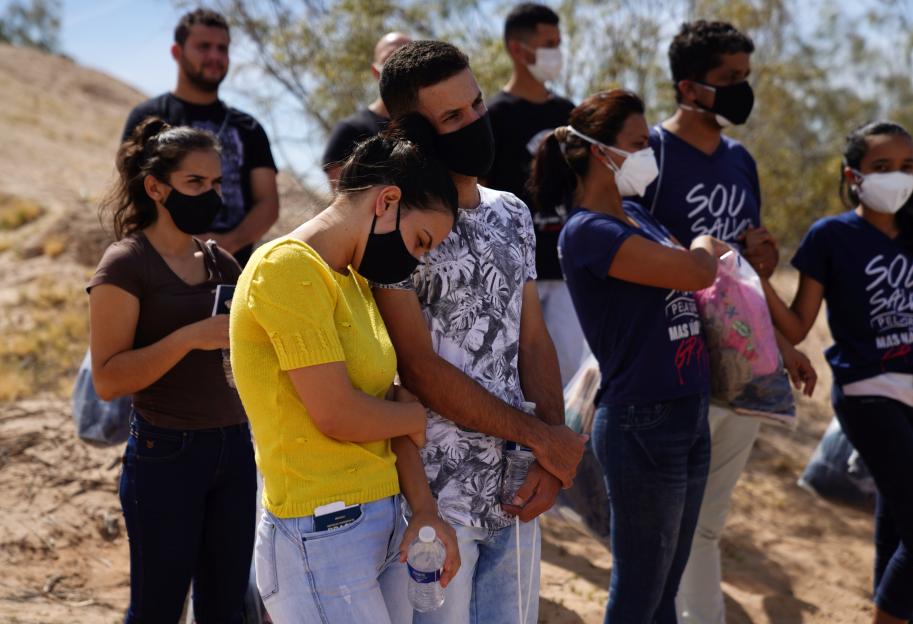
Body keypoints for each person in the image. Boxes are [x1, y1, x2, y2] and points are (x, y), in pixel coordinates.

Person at [374, 40, 587, 624]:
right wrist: (542, 439)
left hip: (515, 494)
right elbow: (415, 367)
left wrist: (546, 452)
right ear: (413, 129)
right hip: (433, 506)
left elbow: (534, 339)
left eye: (476, 106)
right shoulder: (394, 226)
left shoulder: (511, 212)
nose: (473, 123)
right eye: (451, 117)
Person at [230, 117, 462, 623]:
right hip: (318, 534)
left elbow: (387, 404)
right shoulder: (287, 268)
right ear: (386, 201)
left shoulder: (353, 281)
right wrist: (414, 415)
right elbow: (337, 414)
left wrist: (423, 509)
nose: (416, 260)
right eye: (421, 241)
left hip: (380, 523)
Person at [530, 88, 718, 623]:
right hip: (642, 419)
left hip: (687, 408)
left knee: (665, 585)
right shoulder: (589, 231)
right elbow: (696, 272)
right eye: (638, 144)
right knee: (638, 588)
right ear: (598, 151)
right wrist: (705, 240)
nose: (648, 156)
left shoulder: (639, 216)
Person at [636, 21, 786, 623]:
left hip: (741, 362)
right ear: (689, 88)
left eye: (745, 79)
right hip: (673, 362)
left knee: (704, 524)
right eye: (729, 80)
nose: (741, 91)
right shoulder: (649, 155)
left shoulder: (740, 160)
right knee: (669, 524)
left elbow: (748, 267)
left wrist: (765, 265)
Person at [88, 118, 256, 623]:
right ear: (156, 188)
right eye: (195, 184)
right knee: (159, 610)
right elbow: (108, 378)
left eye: (217, 183)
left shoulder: (220, 263)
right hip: (166, 456)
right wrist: (189, 339)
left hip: (234, 449)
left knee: (225, 610)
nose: (212, 195)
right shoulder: (125, 264)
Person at [762, 121, 913, 624]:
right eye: (883, 167)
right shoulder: (831, 236)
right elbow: (799, 323)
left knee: (896, 516)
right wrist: (758, 279)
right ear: (853, 175)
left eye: (908, 167)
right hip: (869, 392)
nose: (898, 177)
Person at [123, 8, 279, 267]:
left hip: (233, 274)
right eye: (204, 47)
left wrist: (226, 244)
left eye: (222, 48)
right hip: (161, 271)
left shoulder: (248, 127)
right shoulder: (148, 117)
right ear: (177, 52)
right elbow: (134, 196)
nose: (215, 56)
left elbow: (268, 202)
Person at [485, 3, 584, 387]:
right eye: (548, 43)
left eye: (558, 43)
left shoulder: (569, 114)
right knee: (510, 376)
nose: (556, 52)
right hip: (510, 273)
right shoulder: (492, 116)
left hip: (564, 271)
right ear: (517, 49)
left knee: (567, 379)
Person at [322, 31, 413, 189]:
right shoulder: (349, 130)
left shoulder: (436, 123)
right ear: (375, 71)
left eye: (409, 56)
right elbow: (343, 202)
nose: (401, 64)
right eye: (390, 58)